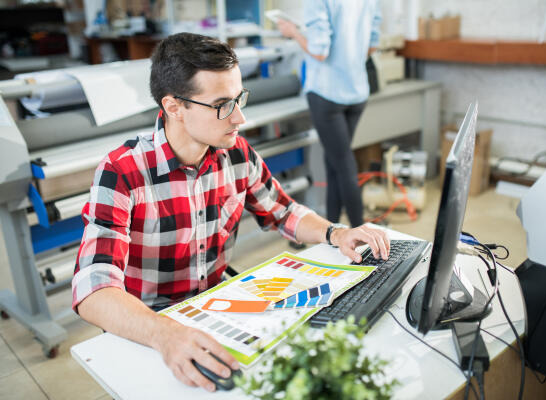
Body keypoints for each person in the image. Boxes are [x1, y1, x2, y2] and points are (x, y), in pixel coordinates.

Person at [72, 33, 389, 392]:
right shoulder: (122, 171)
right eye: (223, 104)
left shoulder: (236, 153)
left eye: (239, 98)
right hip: (149, 324)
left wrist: (337, 233)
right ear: (174, 107)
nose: (240, 116)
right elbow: (93, 291)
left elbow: (284, 212)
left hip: (216, 308)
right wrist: (165, 335)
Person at [277, 0, 382, 228]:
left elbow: (319, 52)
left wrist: (293, 32)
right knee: (334, 160)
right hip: (356, 91)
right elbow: (372, 45)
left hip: (327, 93)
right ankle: (332, 230)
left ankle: (361, 235)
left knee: (343, 164)